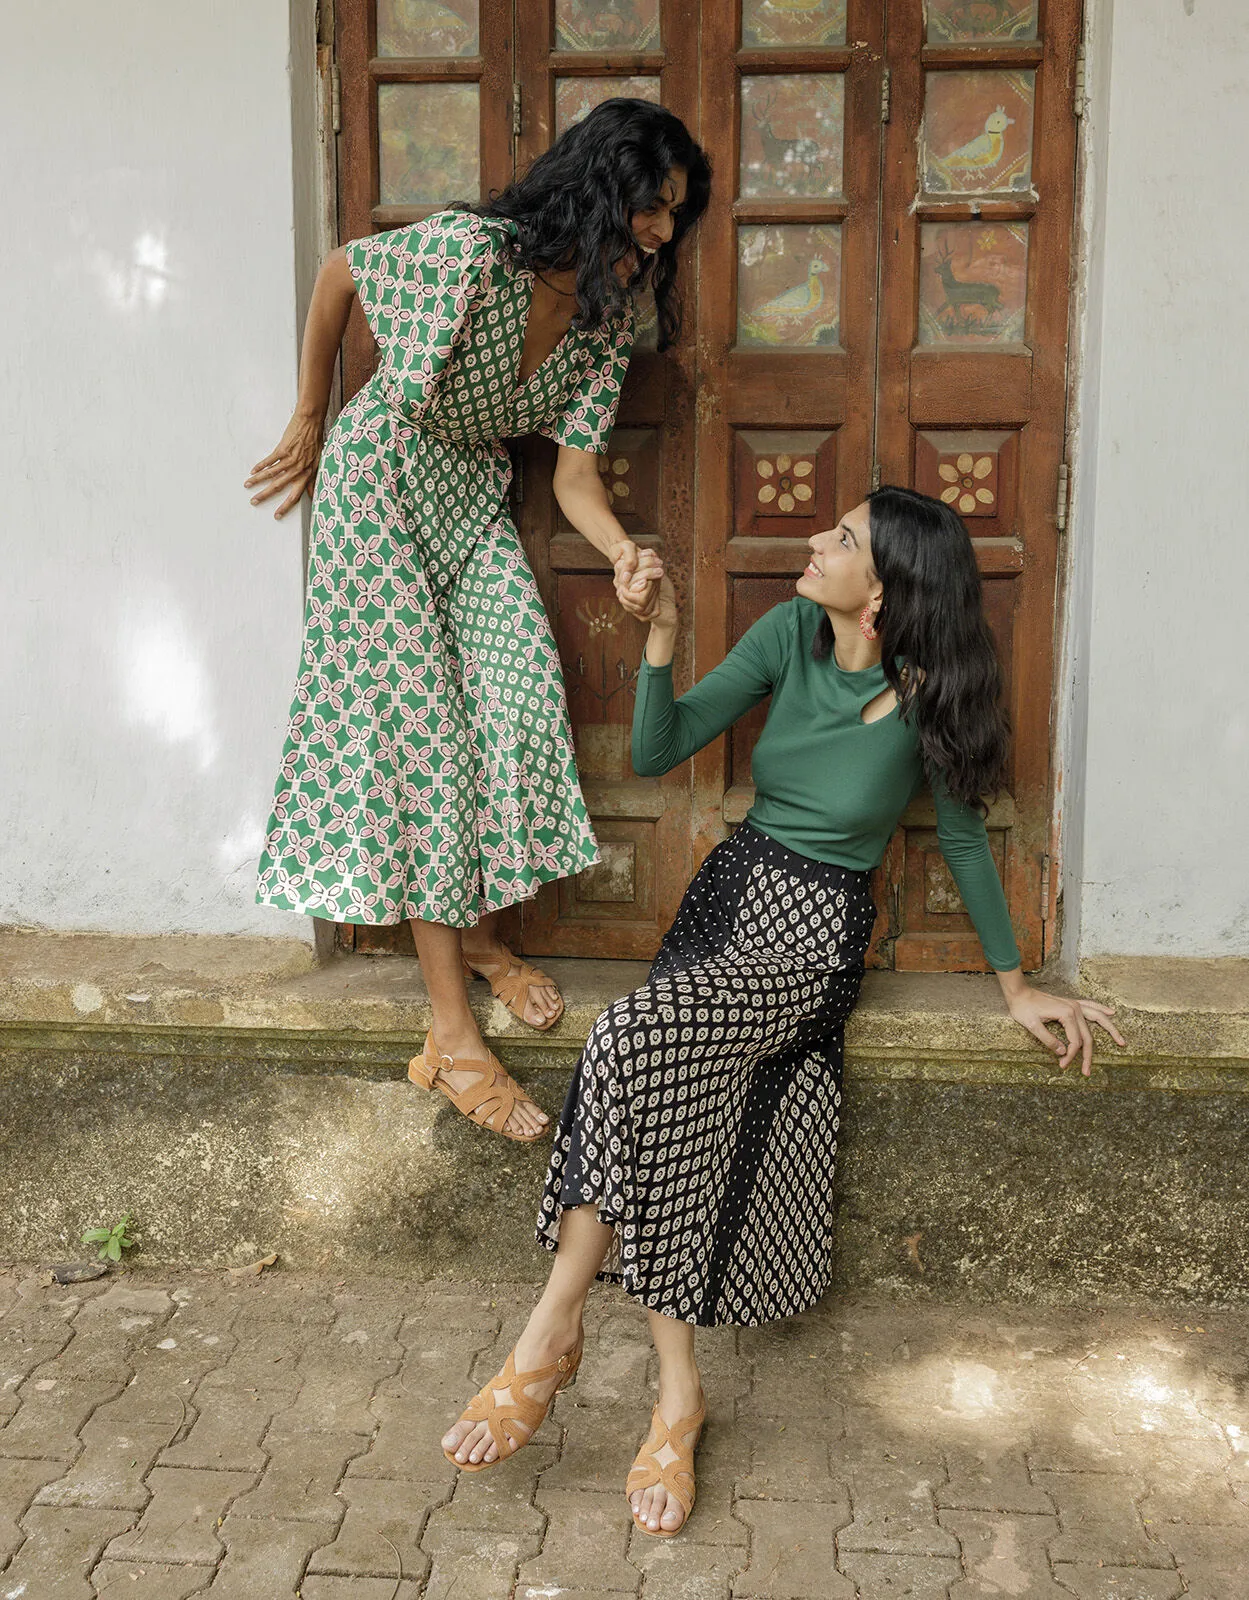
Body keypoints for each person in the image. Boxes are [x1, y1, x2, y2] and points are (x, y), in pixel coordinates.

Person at [439, 486, 1126, 1534]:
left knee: (629, 1038)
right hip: (727, 902)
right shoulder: (786, 636)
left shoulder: (925, 689)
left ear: (886, 593)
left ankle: (550, 1331)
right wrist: (662, 636)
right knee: (659, 1076)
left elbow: (963, 842)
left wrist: (1015, 980)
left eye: (840, 538)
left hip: (812, 941)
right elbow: (659, 751)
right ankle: (674, 1395)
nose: (813, 542)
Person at [245, 101, 710, 1142]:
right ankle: (451, 1037)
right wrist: (312, 410)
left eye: (676, 216)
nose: (662, 233)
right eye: (652, 207)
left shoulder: (603, 318)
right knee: (426, 751)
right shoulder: (472, 255)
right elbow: (339, 274)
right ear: (601, 187)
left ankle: (484, 943)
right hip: (379, 490)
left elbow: (578, 478)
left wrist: (622, 548)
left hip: (468, 498)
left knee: (517, 703)